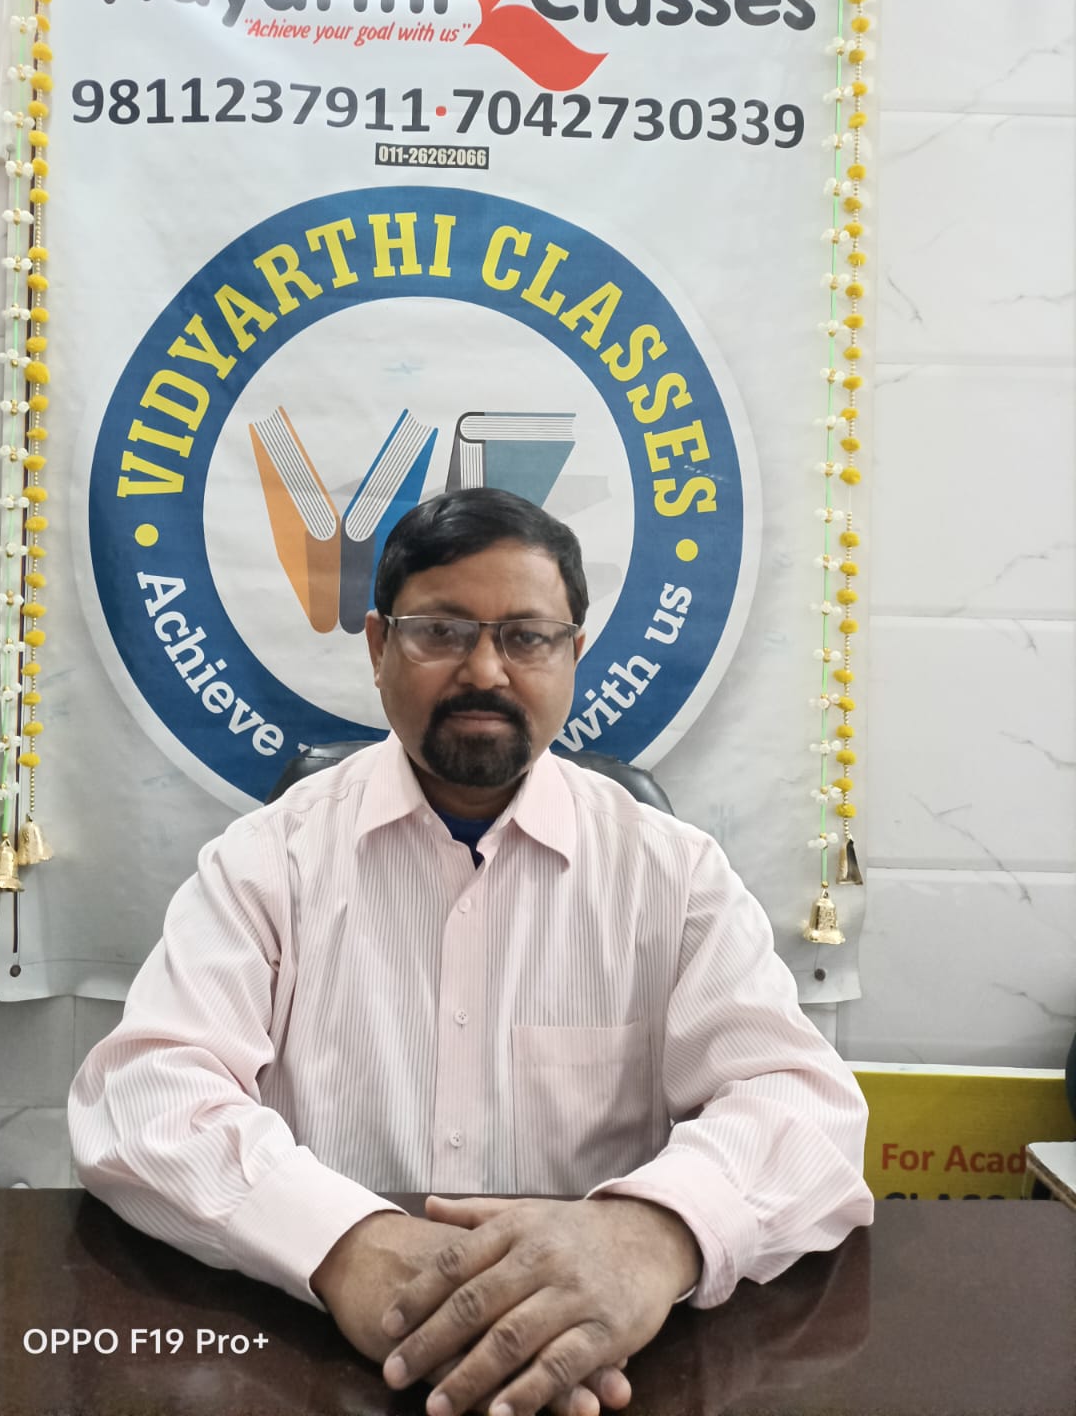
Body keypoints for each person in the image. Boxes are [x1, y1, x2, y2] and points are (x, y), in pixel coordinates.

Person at [69, 487, 872, 1416]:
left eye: (527, 637)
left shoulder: (670, 872)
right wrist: (346, 1244)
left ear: (574, 655)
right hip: (317, 1358)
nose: (485, 669)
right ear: (378, 647)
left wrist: (648, 1240)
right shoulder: (268, 861)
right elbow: (144, 1095)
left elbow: (803, 1108)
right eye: (441, 632)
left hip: (601, 1364)